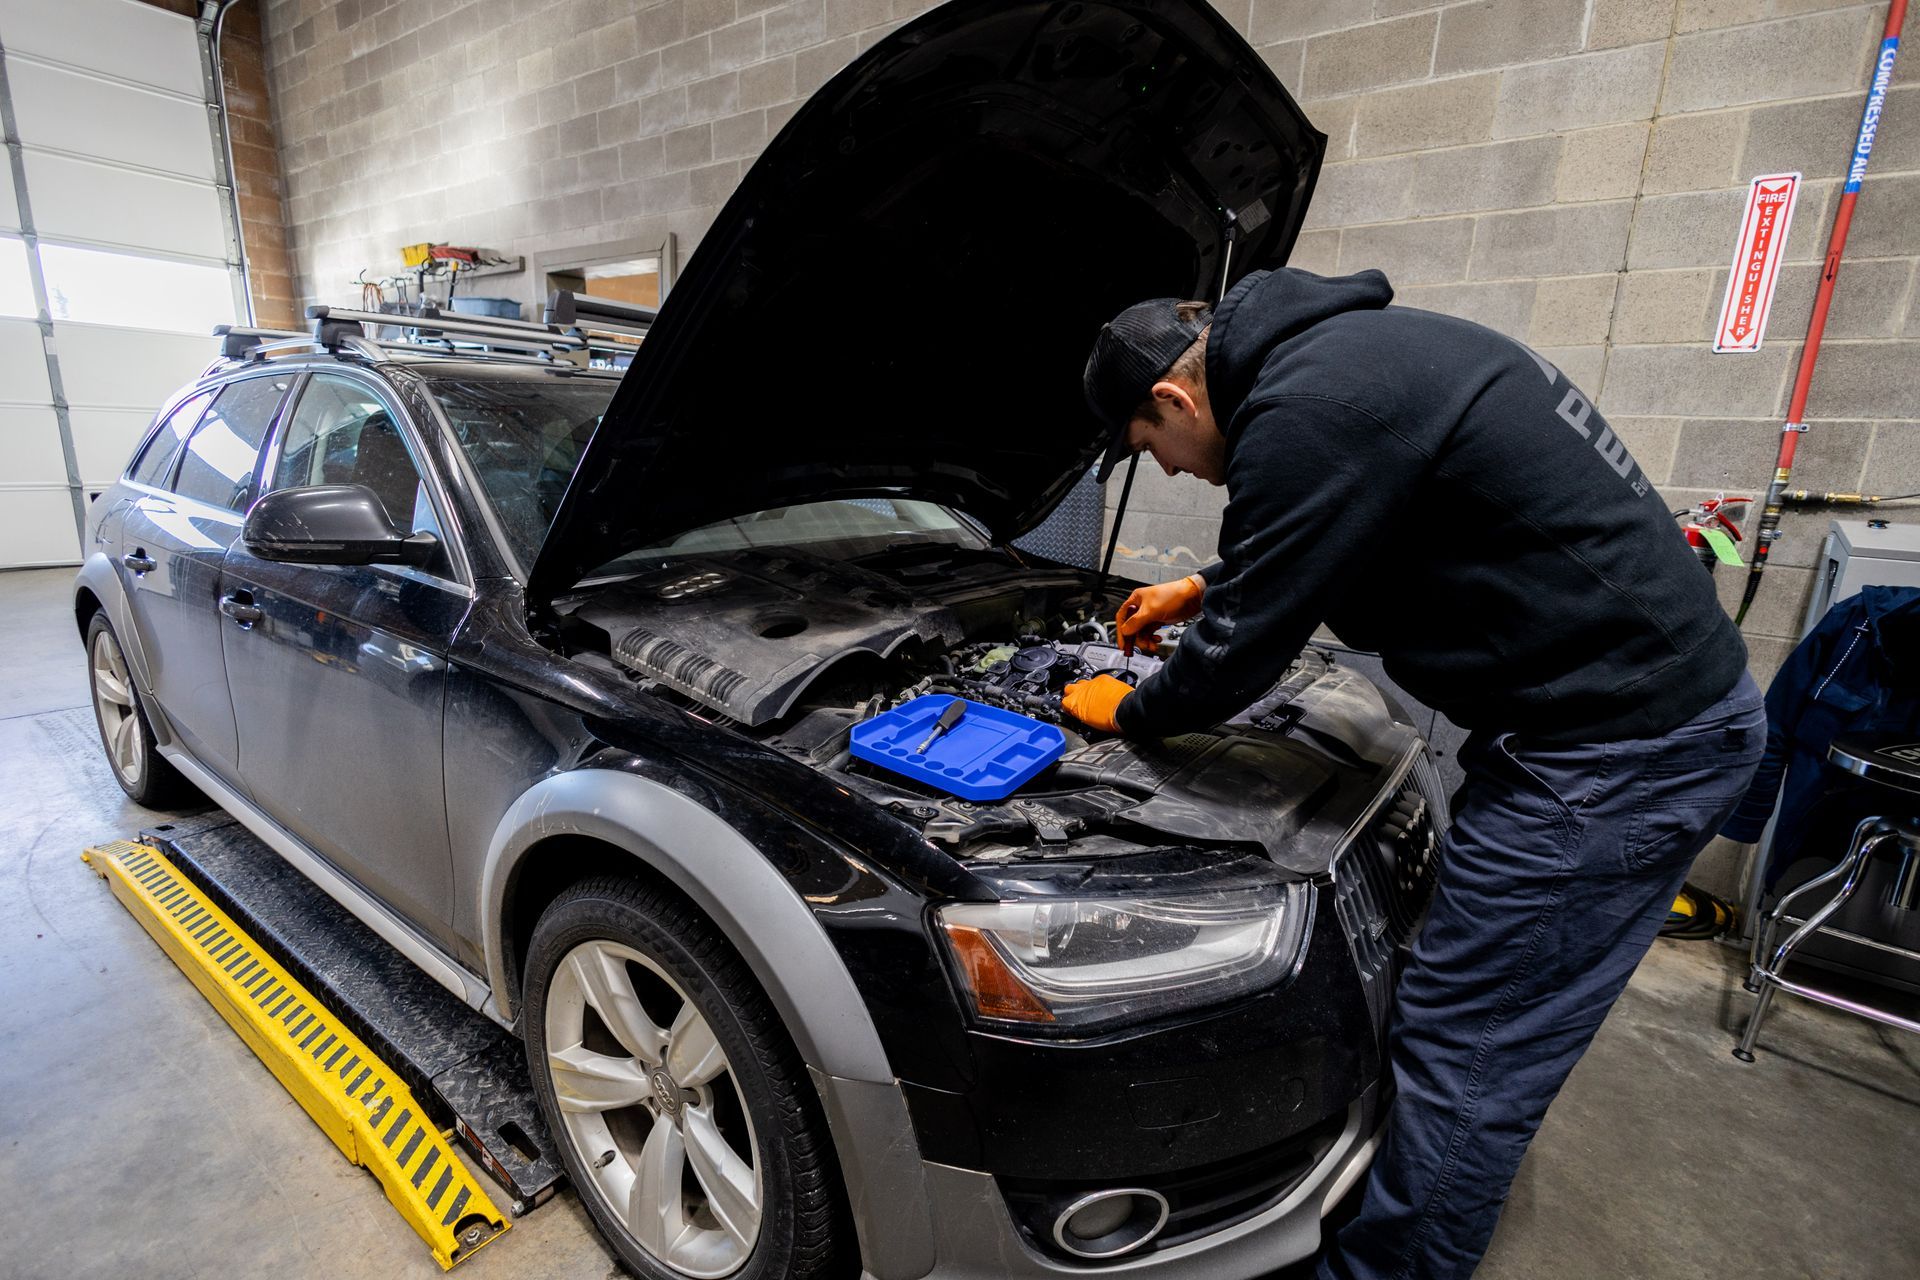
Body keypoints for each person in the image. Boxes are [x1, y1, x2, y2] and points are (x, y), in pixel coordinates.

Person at [1062, 268, 1765, 1280]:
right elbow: (1361, 514)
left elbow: (1238, 658)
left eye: (1151, 452)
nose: (1172, 472)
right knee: (1462, 1015)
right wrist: (1203, 584)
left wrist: (1127, 709)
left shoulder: (1305, 407)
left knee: (1469, 1053)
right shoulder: (1351, 359)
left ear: (1172, 400)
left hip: (1618, 753)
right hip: (1622, 724)